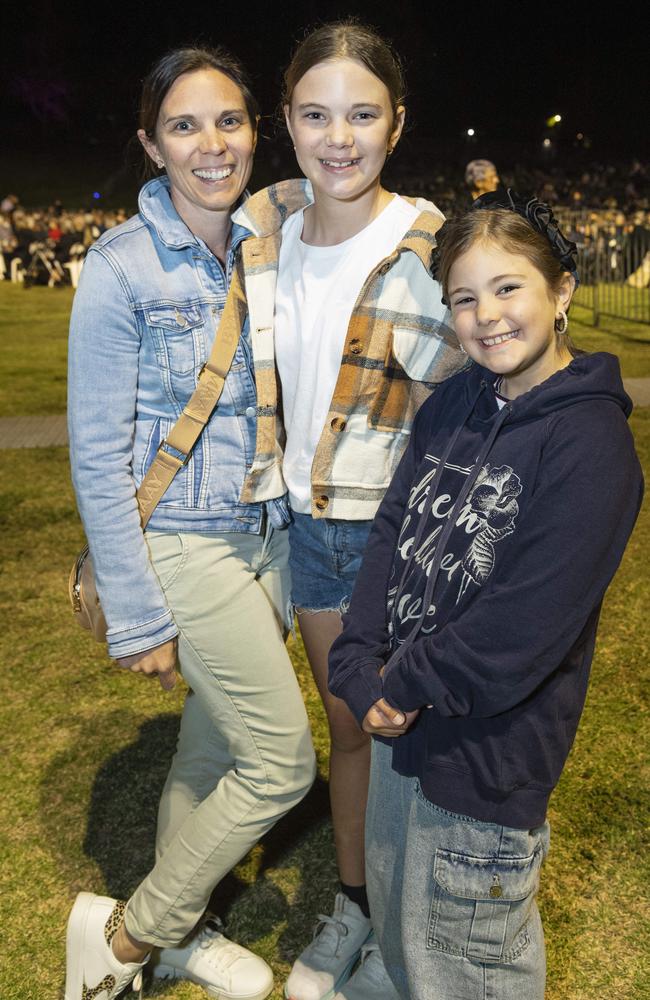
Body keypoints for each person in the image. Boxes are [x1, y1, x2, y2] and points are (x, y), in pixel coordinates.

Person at [328, 190, 643, 1000]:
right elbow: (394, 531)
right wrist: (359, 661)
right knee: (403, 946)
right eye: (464, 298)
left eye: (509, 288)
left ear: (562, 291)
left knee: (463, 970)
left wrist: (399, 683)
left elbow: (519, 631)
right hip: (401, 740)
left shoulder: (591, 443)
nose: (487, 316)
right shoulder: (458, 402)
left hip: (484, 766)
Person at [65, 46, 316, 1000]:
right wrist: (136, 614)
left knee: (214, 743)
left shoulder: (271, 239)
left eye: (228, 122)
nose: (211, 145)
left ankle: (179, 936)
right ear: (151, 144)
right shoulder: (121, 269)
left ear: (258, 130)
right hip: (179, 539)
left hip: (268, 534)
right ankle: (130, 934)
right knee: (283, 761)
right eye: (183, 125)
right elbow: (97, 455)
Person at [233, 20, 467, 1000]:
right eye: (317, 113)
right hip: (287, 526)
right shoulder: (258, 229)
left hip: (383, 534)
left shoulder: (428, 246)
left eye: (362, 114)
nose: (339, 136)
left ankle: (397, 929)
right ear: (284, 120)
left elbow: (477, 411)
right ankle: (356, 906)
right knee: (344, 733)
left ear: (396, 122)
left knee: (391, 736)